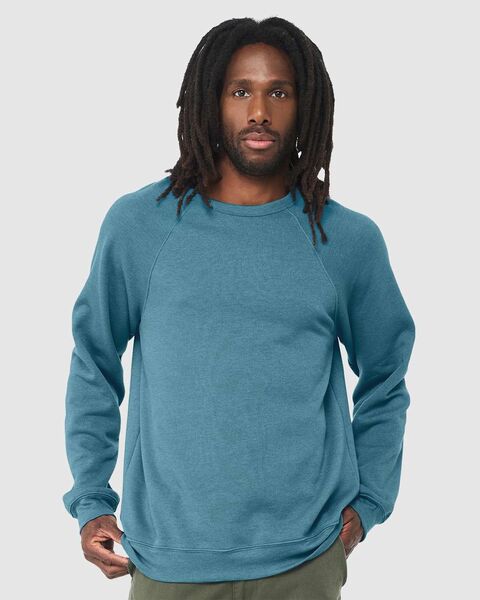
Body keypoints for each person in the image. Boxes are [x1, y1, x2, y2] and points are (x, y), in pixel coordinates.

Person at [62, 16, 416, 600]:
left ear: (305, 106)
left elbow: (386, 376)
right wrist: (91, 501)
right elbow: (93, 363)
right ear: (211, 102)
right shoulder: (139, 226)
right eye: (240, 91)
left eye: (279, 92)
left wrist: (369, 502)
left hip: (305, 560)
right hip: (169, 561)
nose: (259, 112)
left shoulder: (346, 241)